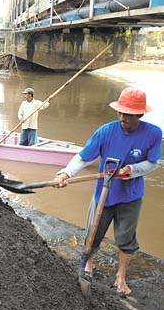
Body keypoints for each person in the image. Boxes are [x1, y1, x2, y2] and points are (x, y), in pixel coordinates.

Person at [53, 87, 162, 296]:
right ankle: (88, 265)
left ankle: (120, 276)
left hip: (130, 196)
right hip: (104, 192)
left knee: (125, 239)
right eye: (121, 112)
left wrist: (132, 170)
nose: (123, 118)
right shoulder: (106, 131)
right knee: (93, 232)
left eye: (129, 114)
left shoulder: (153, 133)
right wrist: (65, 174)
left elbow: (153, 163)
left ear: (140, 114)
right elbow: (84, 157)